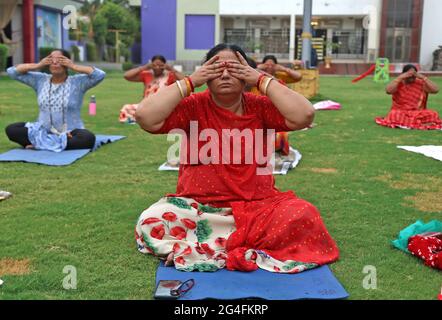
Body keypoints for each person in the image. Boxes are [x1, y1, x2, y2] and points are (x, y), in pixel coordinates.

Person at [134, 44, 339, 273]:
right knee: (151, 219)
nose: (224, 75)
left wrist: (261, 79)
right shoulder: (192, 106)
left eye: (234, 69)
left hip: (258, 209)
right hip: (201, 210)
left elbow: (304, 115)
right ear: (206, 75)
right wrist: (190, 81)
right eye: (216, 69)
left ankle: (213, 245)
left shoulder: (259, 107)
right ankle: (235, 241)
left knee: (303, 213)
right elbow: (144, 117)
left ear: (246, 76)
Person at [5, 50, 105, 152]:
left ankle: (41, 144)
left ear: (67, 62)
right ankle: (53, 143)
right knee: (12, 129)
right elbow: (12, 72)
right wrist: (38, 65)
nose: (55, 62)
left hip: (70, 133)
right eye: (51, 59)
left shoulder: (78, 82)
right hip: (42, 132)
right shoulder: (40, 80)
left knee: (88, 138)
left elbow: (100, 75)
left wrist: (74, 66)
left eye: (60, 60)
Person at [119, 55, 185, 123]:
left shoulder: (169, 76)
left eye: (160, 65)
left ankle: (148, 118)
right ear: (151, 65)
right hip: (146, 106)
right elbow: (126, 76)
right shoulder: (147, 75)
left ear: (164, 66)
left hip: (162, 106)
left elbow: (185, 81)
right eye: (155, 65)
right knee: (126, 108)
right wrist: (145, 67)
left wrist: (171, 69)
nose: (157, 67)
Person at [375, 64, 441, 130]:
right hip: (401, 112)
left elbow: (435, 90)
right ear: (404, 74)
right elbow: (388, 91)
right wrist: (400, 77)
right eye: (409, 74)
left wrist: (423, 77)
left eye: (413, 75)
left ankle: (412, 122)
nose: (411, 76)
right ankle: (420, 123)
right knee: (394, 114)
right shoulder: (399, 83)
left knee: (433, 114)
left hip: (417, 113)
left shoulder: (420, 83)